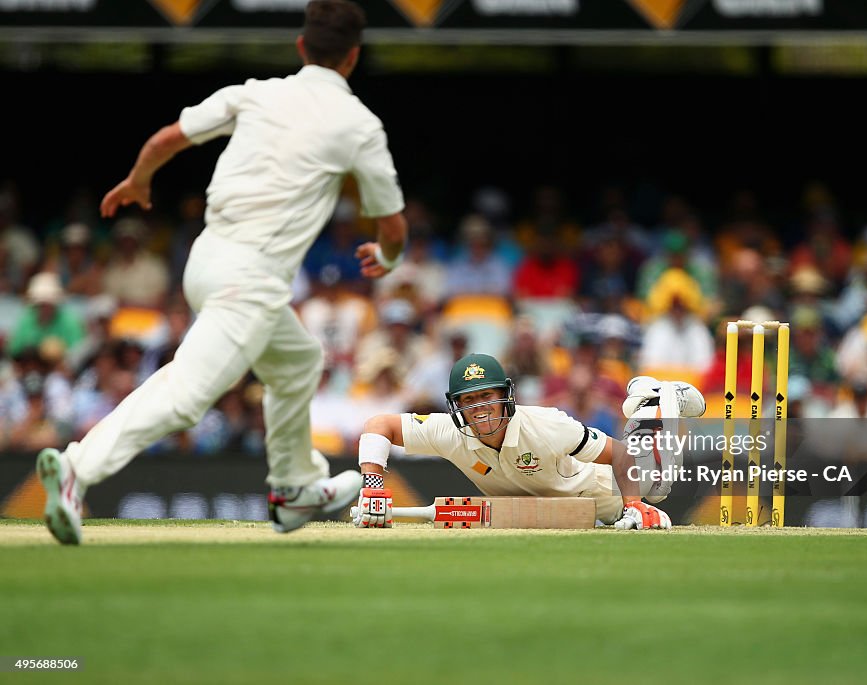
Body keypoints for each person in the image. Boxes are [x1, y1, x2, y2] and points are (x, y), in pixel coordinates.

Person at [36, 0, 405, 545]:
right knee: (188, 394)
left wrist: (140, 181)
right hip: (249, 278)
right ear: (353, 57)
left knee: (298, 361)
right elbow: (392, 226)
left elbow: (167, 139)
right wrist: (388, 257)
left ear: (302, 47)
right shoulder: (360, 124)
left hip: (206, 259)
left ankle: (295, 487)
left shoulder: (253, 92)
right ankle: (76, 468)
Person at [351, 353, 705, 530]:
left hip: (608, 488)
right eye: (469, 400)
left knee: (656, 487)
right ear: (456, 406)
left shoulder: (547, 424)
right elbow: (378, 424)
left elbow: (621, 454)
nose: (481, 408)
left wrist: (634, 504)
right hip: (578, 519)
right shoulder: (448, 432)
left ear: (506, 396)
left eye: (487, 395)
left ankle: (660, 398)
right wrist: (372, 486)